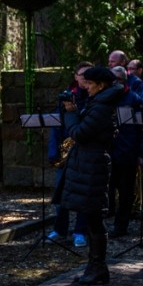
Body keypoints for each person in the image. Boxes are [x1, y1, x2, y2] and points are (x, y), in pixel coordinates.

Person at [56, 66, 122, 284]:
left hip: (93, 165)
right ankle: (94, 267)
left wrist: (71, 114)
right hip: (88, 163)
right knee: (92, 217)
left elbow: (80, 133)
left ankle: (98, 267)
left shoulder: (102, 107)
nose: (87, 89)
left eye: (91, 85)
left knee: (94, 218)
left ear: (101, 85)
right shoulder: (98, 103)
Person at [47, 62, 92, 247]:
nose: (85, 78)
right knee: (60, 192)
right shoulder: (67, 96)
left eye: (88, 75)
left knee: (82, 195)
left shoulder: (93, 97)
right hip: (66, 153)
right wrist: (54, 152)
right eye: (82, 74)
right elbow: (57, 126)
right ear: (75, 76)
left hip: (84, 151)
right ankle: (60, 229)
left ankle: (80, 231)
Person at [107, 66, 143, 238]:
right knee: (106, 188)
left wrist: (140, 153)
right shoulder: (106, 97)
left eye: (119, 80)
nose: (116, 83)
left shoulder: (134, 99)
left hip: (127, 152)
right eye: (113, 80)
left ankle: (121, 225)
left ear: (125, 81)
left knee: (125, 192)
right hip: (108, 151)